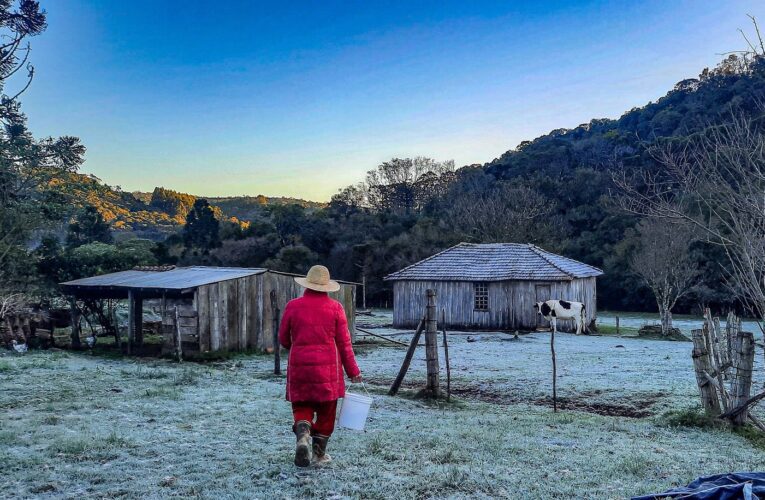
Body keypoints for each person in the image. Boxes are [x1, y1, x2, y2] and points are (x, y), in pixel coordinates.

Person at [278, 265, 362, 467]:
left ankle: (303, 433)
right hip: (327, 369)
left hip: (300, 366)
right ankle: (318, 455)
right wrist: (353, 371)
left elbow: (283, 338)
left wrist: (296, 346)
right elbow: (344, 344)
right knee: (327, 410)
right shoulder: (335, 308)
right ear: (327, 286)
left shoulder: (292, 306)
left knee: (302, 405)